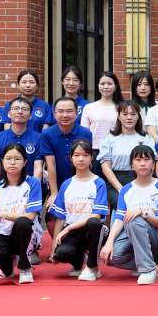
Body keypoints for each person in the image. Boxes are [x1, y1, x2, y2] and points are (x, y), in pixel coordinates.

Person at [100, 144, 158, 285]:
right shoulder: (126, 190)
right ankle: (149, 262)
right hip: (132, 234)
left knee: (134, 220)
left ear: (153, 164)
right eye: (138, 160)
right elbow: (119, 219)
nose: (142, 163)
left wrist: (143, 212)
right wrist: (109, 243)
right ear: (132, 165)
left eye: (147, 159)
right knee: (113, 257)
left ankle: (147, 269)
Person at [0, 143, 42, 284]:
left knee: (22, 222)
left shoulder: (33, 183)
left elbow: (30, 216)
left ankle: (25, 267)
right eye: (8, 158)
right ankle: (7, 267)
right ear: (2, 161)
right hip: (3, 233)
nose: (12, 162)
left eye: (17, 159)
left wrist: (2, 214)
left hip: (26, 233)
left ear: (25, 162)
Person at [47, 139, 109, 281]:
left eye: (85, 155)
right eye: (77, 155)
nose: (81, 159)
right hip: (73, 232)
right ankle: (78, 263)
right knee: (61, 254)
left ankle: (93, 267)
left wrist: (69, 228)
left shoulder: (98, 182)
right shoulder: (66, 184)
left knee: (93, 222)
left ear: (91, 158)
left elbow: (96, 215)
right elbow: (61, 217)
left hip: (93, 230)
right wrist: (53, 248)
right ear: (71, 158)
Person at [40, 97, 93, 237]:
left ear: (76, 113)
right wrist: (54, 193)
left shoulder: (85, 133)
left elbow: (85, 162)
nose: (65, 115)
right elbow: (50, 165)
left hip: (81, 183)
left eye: (69, 111)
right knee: (51, 216)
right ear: (54, 114)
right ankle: (59, 241)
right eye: (61, 111)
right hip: (58, 184)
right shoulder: (47, 134)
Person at [98, 100, 155, 210]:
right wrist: (120, 188)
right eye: (125, 114)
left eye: (133, 114)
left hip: (142, 179)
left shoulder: (146, 138)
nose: (129, 118)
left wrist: (145, 185)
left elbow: (152, 163)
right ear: (119, 116)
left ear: (138, 116)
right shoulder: (109, 139)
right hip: (116, 181)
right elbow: (105, 167)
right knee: (123, 205)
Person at [0, 96, 43, 185]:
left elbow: (38, 168)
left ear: (30, 116)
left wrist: (33, 190)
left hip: (29, 187)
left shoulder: (39, 138)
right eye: (15, 108)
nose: (20, 111)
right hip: (4, 188)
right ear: (9, 114)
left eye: (24, 109)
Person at [79, 72, 121, 166]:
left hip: (115, 150)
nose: (106, 87)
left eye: (109, 84)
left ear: (115, 87)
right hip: (94, 150)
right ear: (98, 86)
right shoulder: (89, 107)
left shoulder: (121, 108)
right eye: (102, 84)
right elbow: (84, 133)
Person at [9, 69, 52, 133]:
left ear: (37, 86)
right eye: (24, 82)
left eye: (31, 82)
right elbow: (7, 129)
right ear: (18, 85)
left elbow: (45, 131)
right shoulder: (10, 105)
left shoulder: (45, 106)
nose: (28, 85)